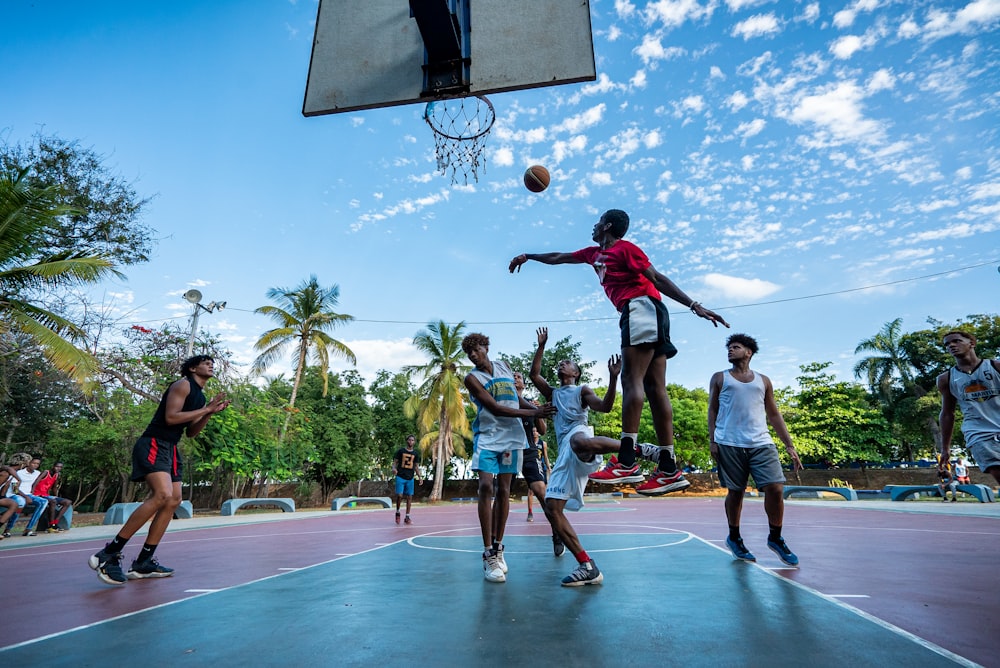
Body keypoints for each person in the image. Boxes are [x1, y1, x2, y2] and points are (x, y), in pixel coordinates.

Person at [510, 209, 729, 495]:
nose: (593, 224)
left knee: (632, 381)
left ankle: (626, 460)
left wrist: (693, 304)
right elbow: (558, 257)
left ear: (608, 226)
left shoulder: (625, 249)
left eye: (598, 221)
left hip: (640, 307)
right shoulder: (593, 254)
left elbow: (657, 277)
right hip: (650, 311)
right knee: (653, 387)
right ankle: (668, 467)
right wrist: (529, 255)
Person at [89, 355, 230, 586]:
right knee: (162, 495)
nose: (210, 365)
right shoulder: (183, 384)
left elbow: (191, 432)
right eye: (205, 362)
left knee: (173, 501)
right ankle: (108, 554)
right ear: (193, 368)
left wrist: (208, 413)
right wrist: (205, 408)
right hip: (154, 442)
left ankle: (144, 561)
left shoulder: (201, 397)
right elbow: (171, 417)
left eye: (212, 363)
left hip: (170, 448)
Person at [529, 326, 623, 586]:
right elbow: (534, 374)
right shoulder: (553, 394)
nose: (562, 363)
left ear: (576, 373)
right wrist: (541, 346)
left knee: (577, 439)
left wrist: (613, 378)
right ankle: (587, 565)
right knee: (552, 508)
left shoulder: (582, 390)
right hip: (565, 455)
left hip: (580, 439)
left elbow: (605, 407)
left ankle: (634, 449)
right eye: (561, 362)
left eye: (568, 362)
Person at [463, 332, 556, 583]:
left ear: (486, 347)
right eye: (468, 352)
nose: (472, 355)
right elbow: (493, 407)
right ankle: (487, 554)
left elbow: (515, 399)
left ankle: (499, 547)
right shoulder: (472, 378)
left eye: (476, 349)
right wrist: (533, 411)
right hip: (488, 436)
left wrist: (537, 411)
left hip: (512, 438)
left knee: (504, 491)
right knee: (485, 486)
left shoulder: (504, 366)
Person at [708, 334, 803, 566]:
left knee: (775, 487)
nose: (730, 350)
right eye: (729, 347)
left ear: (748, 352)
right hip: (729, 442)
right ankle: (734, 537)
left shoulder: (764, 380)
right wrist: (712, 440)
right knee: (736, 491)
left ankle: (776, 537)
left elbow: (773, 414)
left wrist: (789, 445)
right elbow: (712, 410)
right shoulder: (720, 378)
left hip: (761, 442)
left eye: (736, 347)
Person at [512, 371, 564, 557]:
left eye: (518, 376)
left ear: (524, 384)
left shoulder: (529, 402)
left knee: (542, 493)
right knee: (501, 493)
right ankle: (496, 547)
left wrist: (538, 413)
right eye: (512, 376)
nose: (515, 378)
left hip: (528, 451)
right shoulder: (504, 402)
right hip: (509, 451)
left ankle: (557, 532)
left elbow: (541, 430)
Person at [938, 330, 1000, 486]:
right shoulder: (946, 379)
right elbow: (947, 413)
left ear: (971, 344)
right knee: (997, 470)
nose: (951, 345)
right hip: (978, 432)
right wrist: (945, 448)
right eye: (947, 344)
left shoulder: (996, 367)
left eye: (956, 341)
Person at [4, 457, 48, 537]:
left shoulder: (37, 473)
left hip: (28, 494)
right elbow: (15, 489)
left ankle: (28, 529)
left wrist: (32, 494)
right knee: (21, 502)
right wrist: (25, 497)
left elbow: (40, 482)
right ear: (29, 463)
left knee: (43, 501)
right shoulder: (19, 473)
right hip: (15, 494)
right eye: (33, 463)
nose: (35, 465)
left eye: (37, 464)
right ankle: (7, 529)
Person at [391, 435, 423, 525]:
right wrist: (394, 468)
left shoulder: (416, 454)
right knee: (400, 495)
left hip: (410, 478)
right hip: (400, 476)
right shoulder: (401, 451)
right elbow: (395, 463)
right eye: (409, 440)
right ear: (406, 441)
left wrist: (420, 477)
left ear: (414, 442)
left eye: (412, 440)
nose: (410, 442)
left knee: (409, 497)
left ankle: (407, 516)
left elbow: (416, 466)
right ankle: (397, 512)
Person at [33, 462, 72, 532]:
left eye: (60, 467)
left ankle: (55, 522)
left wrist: (56, 497)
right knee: (53, 502)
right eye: (57, 466)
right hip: (38, 494)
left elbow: (54, 488)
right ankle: (51, 525)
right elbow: (36, 481)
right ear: (53, 466)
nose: (58, 468)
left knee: (67, 502)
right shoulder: (46, 472)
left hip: (46, 495)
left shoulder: (56, 475)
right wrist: (32, 492)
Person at [0, 467, 22, 539]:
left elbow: (14, 490)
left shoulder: (12, 475)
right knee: (17, 502)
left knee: (14, 504)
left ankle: (7, 529)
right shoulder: (5, 472)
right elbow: (9, 468)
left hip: (6, 496)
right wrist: (19, 479)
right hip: (11, 495)